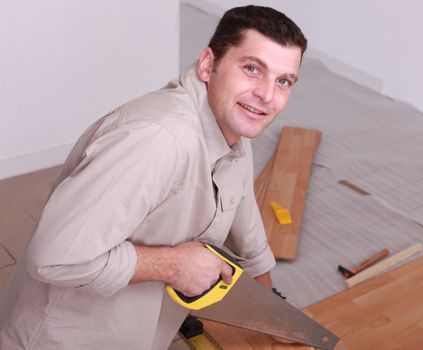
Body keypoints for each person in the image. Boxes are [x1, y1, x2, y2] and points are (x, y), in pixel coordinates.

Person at [0, 5, 307, 350]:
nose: (267, 95)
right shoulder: (157, 141)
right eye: (252, 69)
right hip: (63, 338)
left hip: (138, 330)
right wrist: (174, 265)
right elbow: (55, 257)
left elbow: (244, 224)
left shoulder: (233, 130)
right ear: (208, 64)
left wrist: (272, 313)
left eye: (283, 81)